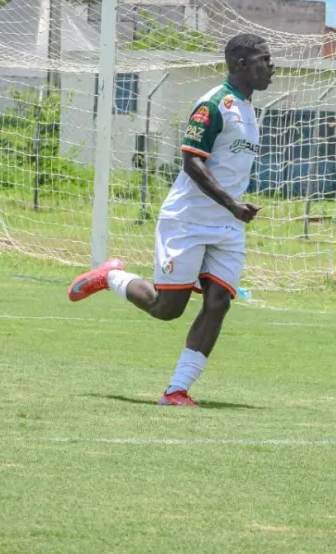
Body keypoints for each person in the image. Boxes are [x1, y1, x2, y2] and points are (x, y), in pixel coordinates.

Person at [67, 33, 274, 406]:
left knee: (218, 303)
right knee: (168, 309)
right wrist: (231, 203)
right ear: (242, 64)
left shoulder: (248, 109)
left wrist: (234, 209)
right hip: (188, 220)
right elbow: (192, 162)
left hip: (228, 226)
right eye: (264, 59)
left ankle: (177, 390)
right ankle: (111, 277)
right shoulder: (213, 105)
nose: (271, 66)